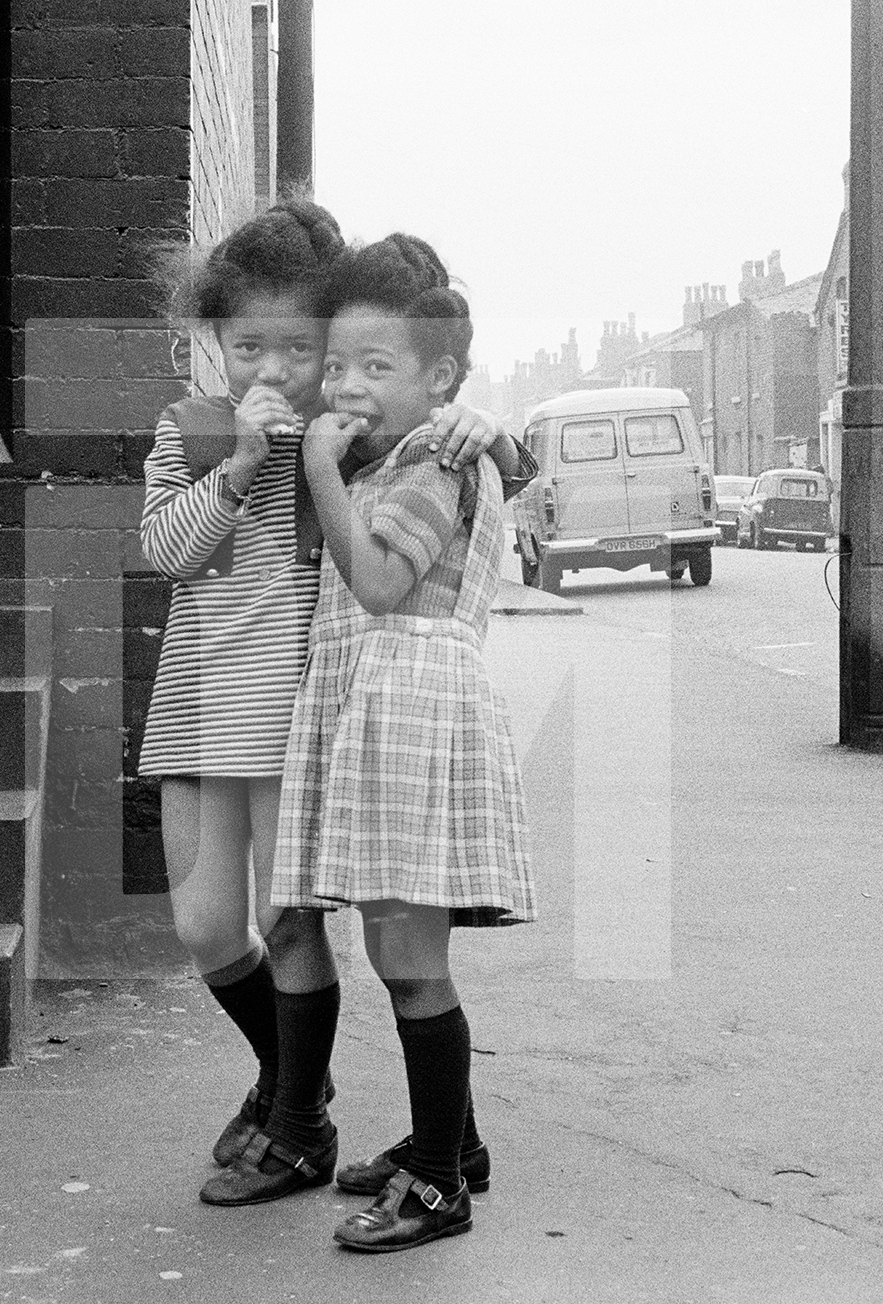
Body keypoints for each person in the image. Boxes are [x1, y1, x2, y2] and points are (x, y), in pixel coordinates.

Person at [137, 202, 530, 1203]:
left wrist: (496, 435)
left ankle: (298, 1119)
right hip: (194, 701)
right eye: (245, 345)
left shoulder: (342, 448)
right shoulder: (191, 435)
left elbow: (444, 468)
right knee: (205, 926)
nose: (271, 370)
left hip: (293, 711)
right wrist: (234, 467)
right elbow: (167, 551)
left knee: (294, 922)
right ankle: (287, 1080)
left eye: (299, 349)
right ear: (213, 341)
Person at [269, 233, 537, 1253]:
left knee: (410, 954)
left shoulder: (435, 457)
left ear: (442, 383)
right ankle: (450, 1143)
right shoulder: (410, 449)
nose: (347, 385)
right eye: (338, 364)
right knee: (396, 945)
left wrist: (317, 470)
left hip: (412, 712)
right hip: (377, 710)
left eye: (377, 368)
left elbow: (381, 586)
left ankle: (436, 1186)